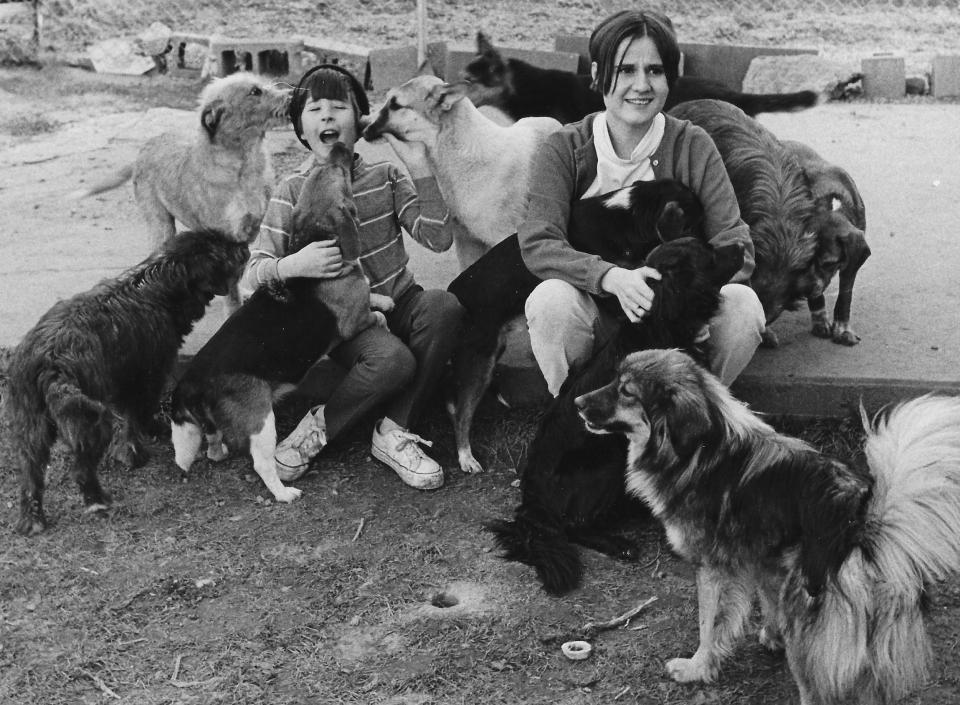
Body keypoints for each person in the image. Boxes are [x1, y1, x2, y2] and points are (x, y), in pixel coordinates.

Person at [518, 9, 765, 396]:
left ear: (671, 76)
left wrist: (687, 302)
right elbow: (538, 243)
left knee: (743, 306)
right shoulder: (564, 147)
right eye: (625, 70)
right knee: (549, 301)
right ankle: (582, 414)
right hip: (596, 310)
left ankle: (692, 413)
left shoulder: (692, 144)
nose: (641, 85)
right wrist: (611, 278)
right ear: (599, 74)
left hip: (675, 316)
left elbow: (736, 243)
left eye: (654, 70)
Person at [242, 64, 464, 490]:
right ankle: (316, 431)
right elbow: (254, 272)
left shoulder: (385, 175)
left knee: (444, 307)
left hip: (401, 300)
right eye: (315, 108)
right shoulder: (292, 189)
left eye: (339, 106)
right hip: (346, 321)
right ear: (300, 128)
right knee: (392, 360)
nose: (327, 116)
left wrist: (419, 165)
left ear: (360, 121)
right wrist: (293, 266)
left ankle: (394, 431)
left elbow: (437, 240)